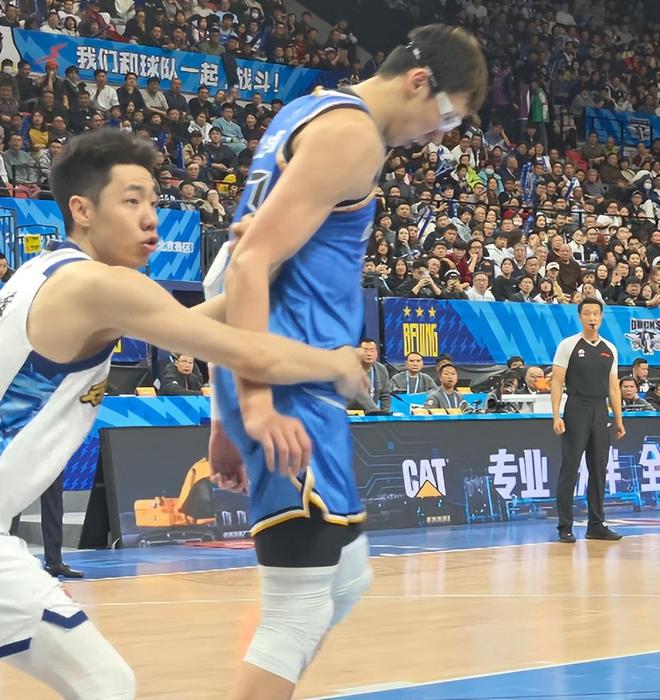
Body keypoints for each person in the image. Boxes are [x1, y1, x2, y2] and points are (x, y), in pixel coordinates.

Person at [0, 130, 366, 698]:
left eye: (153, 200)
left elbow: (189, 325)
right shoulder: (98, 285)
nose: (151, 216)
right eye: (131, 200)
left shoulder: (52, 273)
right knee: (104, 685)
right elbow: (240, 349)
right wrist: (335, 362)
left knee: (105, 685)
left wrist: (261, 270)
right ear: (82, 210)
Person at [208, 23, 486, 700]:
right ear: (418, 82)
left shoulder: (309, 111)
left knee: (348, 578)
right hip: (289, 387)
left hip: (293, 377)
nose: (440, 136)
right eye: (447, 117)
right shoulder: (351, 135)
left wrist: (225, 413)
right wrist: (253, 404)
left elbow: (231, 269)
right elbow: (247, 264)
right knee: (297, 612)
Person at [551, 298, 624, 544]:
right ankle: (565, 526)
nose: (592, 317)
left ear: (601, 317)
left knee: (599, 470)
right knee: (570, 468)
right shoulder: (568, 345)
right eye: (587, 313)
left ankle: (596, 525)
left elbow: (613, 388)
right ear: (580, 317)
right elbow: (557, 382)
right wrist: (556, 415)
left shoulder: (610, 348)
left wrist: (618, 419)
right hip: (576, 409)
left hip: (600, 411)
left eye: (596, 313)